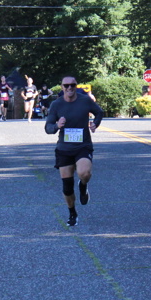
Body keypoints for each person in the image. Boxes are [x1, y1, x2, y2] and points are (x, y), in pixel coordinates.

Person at [45, 75, 104, 227]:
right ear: (62, 87)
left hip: (83, 146)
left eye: (73, 85)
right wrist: (57, 126)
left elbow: (99, 112)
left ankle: (83, 185)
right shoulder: (57, 104)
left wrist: (95, 123)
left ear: (76, 86)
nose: (70, 88)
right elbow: (48, 128)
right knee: (67, 186)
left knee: (85, 173)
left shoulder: (85, 101)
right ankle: (72, 213)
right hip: (64, 148)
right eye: (66, 85)